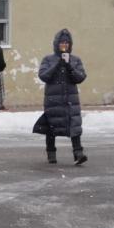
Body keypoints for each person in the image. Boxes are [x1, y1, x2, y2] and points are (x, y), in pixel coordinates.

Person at [34, 29, 87, 165]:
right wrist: (58, 64)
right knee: (51, 126)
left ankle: (78, 154)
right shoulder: (48, 59)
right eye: (62, 42)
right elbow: (43, 76)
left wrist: (69, 66)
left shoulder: (75, 60)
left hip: (70, 100)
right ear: (57, 44)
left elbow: (80, 77)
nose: (64, 45)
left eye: (67, 43)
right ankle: (51, 153)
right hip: (53, 100)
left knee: (74, 125)